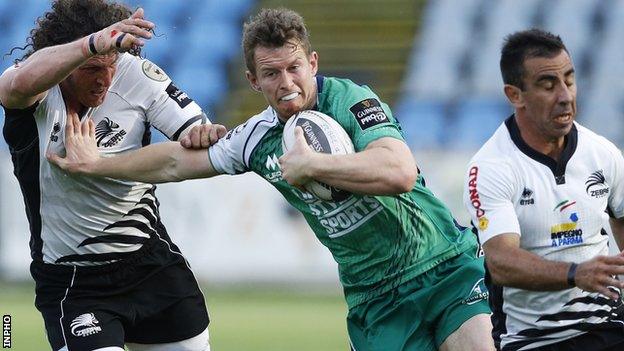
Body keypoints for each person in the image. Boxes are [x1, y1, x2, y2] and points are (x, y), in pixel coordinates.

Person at [49, 8, 495, 351]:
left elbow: (399, 172)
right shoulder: (256, 139)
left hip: (443, 265)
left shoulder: (350, 101)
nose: (287, 83)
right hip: (374, 298)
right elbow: (174, 163)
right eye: (271, 73)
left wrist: (312, 167)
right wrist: (96, 164)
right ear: (252, 80)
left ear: (312, 63)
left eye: (294, 67)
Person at [0, 1, 220, 350]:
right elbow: (13, 85)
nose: (105, 78)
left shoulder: (137, 74)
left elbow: (199, 144)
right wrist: (93, 44)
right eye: (91, 68)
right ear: (68, 63)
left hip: (150, 264)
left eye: (111, 64)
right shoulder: (39, 87)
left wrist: (201, 134)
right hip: (74, 280)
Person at [462, 28, 624, 351]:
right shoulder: (491, 167)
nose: (565, 95)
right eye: (548, 85)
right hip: (534, 342)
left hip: (608, 327)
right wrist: (575, 273)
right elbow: (501, 262)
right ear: (515, 95)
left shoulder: (602, 153)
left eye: (569, 79)